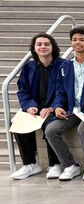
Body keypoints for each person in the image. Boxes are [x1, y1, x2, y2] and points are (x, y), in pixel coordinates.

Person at [45, 27, 84, 181]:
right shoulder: (65, 66)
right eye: (74, 40)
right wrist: (58, 107)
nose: (77, 43)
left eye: (82, 40)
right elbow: (60, 91)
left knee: (83, 129)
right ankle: (69, 165)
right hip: (72, 110)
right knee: (51, 130)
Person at [10, 33, 65, 180]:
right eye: (39, 44)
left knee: (49, 124)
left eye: (46, 44)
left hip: (55, 107)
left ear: (52, 47)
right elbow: (23, 90)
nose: (43, 47)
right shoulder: (29, 67)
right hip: (36, 107)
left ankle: (55, 164)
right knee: (18, 123)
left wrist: (53, 107)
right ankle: (30, 164)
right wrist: (30, 106)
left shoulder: (63, 65)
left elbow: (66, 90)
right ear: (34, 48)